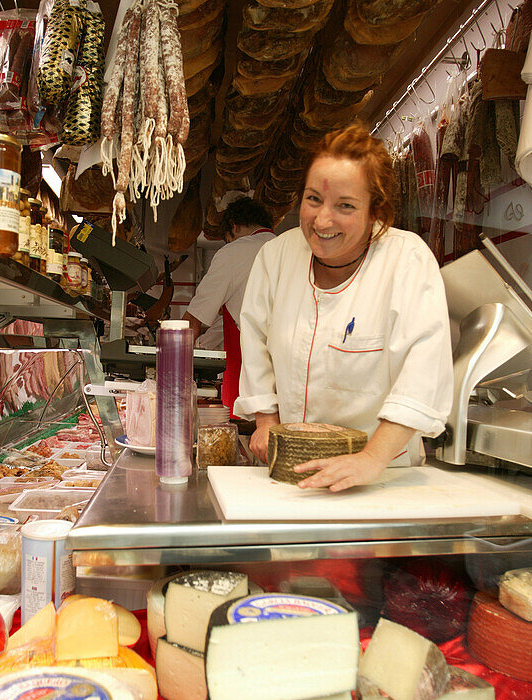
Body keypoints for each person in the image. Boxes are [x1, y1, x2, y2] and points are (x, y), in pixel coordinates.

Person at [234, 124, 453, 492]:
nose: (322, 221)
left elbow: (423, 373)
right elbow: (255, 340)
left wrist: (371, 460)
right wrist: (266, 420)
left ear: (376, 211)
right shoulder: (276, 256)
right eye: (313, 199)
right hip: (290, 474)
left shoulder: (407, 260)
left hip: (383, 478)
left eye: (345, 206)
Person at [182, 196, 274, 412]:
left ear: (233, 225)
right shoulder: (289, 248)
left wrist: (175, 369)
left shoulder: (234, 252)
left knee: (248, 430)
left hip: (253, 371)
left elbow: (194, 318)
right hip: (293, 370)